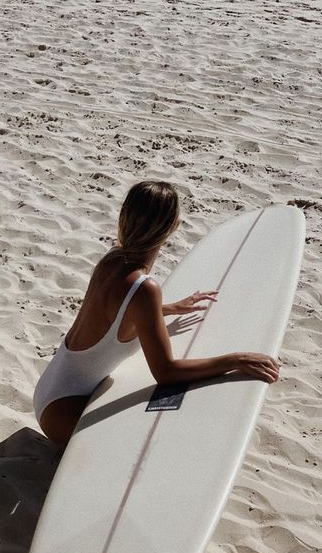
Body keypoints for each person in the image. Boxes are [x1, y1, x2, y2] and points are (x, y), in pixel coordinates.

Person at [33, 180, 280, 447]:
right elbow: (166, 372)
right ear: (172, 227)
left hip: (51, 392)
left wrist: (170, 309)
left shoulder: (112, 259)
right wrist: (236, 360)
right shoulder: (144, 289)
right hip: (68, 413)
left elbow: (111, 313)